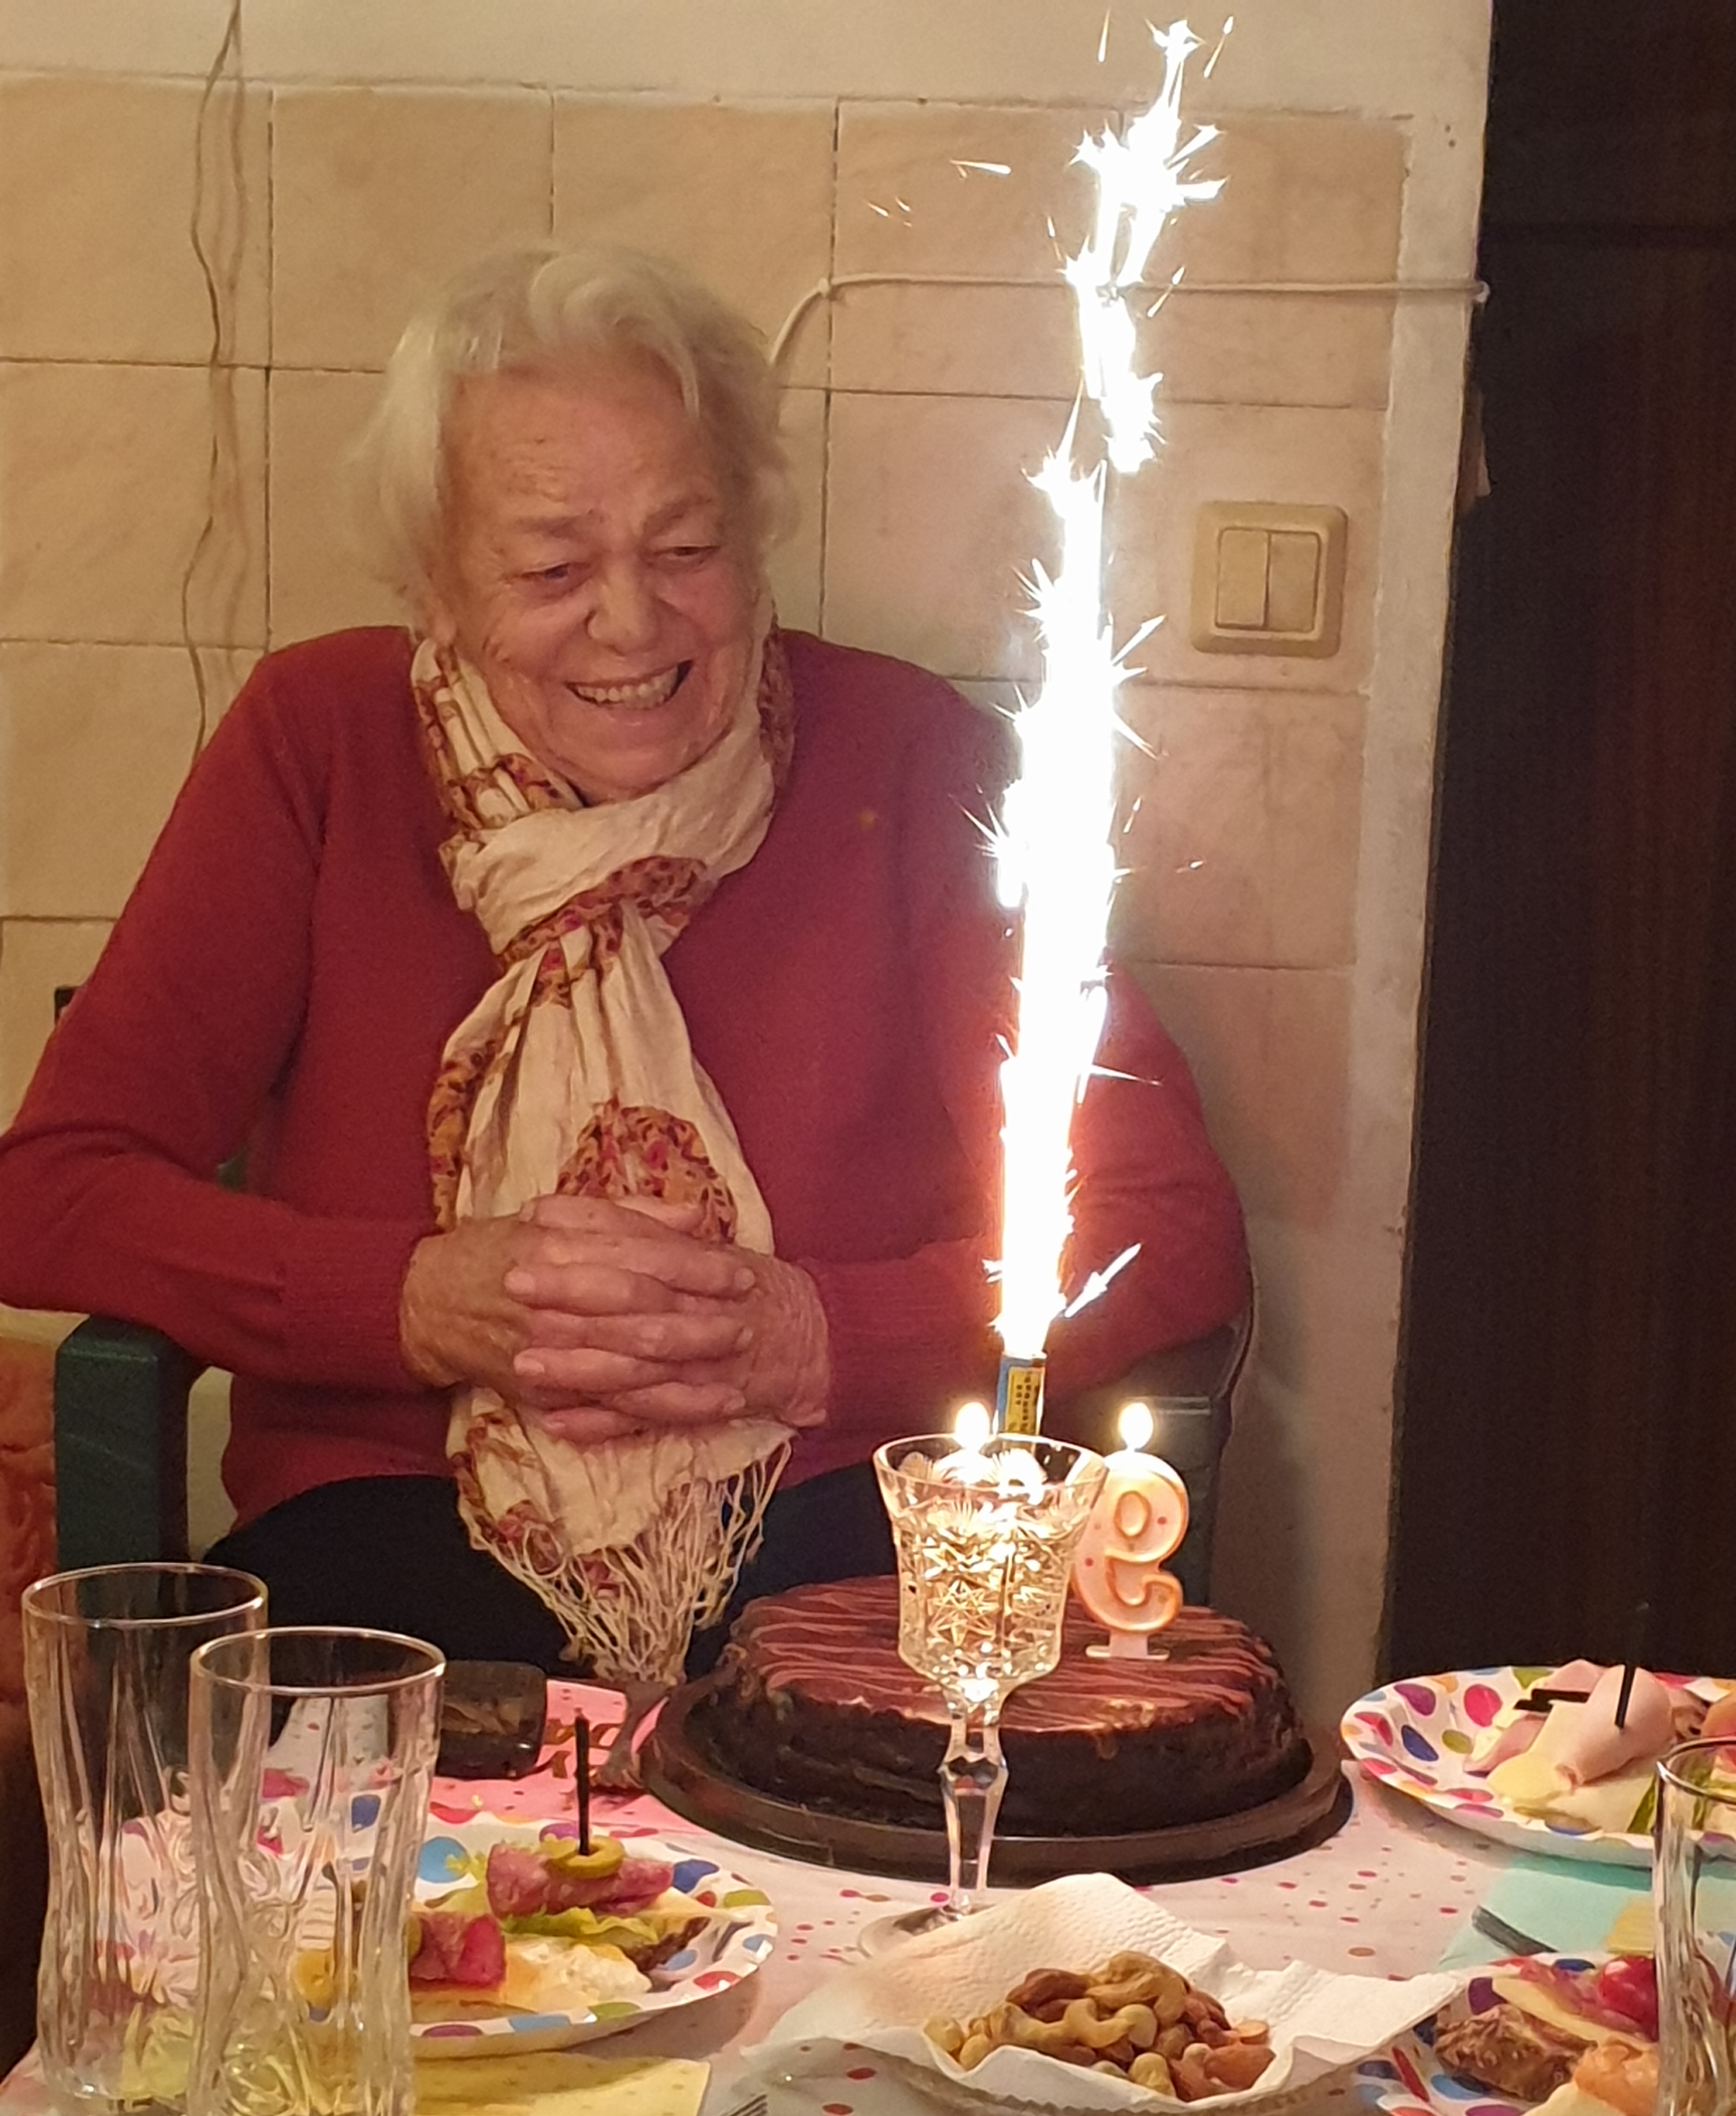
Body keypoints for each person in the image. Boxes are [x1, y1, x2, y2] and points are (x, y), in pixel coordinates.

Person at [0, 246, 1247, 1675]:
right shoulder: (321, 744)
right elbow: (53, 1191)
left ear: (751, 536)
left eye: (685, 548)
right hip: (392, 1523)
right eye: (550, 567)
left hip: (839, 1517)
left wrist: (817, 1335)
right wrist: (411, 1301)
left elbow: (1165, 1227)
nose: (633, 623)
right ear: (437, 588)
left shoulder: (912, 758)